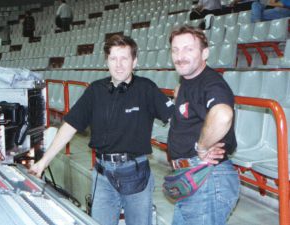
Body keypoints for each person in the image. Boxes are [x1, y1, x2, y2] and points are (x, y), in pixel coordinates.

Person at [29, 34, 174, 225]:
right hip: (102, 176)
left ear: (135, 61)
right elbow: (70, 126)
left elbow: (177, 117)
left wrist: (203, 147)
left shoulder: (146, 88)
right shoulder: (95, 90)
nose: (119, 64)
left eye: (124, 58)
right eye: (113, 58)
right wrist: (43, 162)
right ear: (107, 61)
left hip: (136, 174)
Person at [167, 25, 240, 225]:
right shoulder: (187, 80)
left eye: (188, 49)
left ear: (205, 53)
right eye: (175, 50)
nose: (180, 56)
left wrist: (202, 146)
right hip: (192, 176)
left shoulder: (211, 83)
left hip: (207, 178)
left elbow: (223, 114)